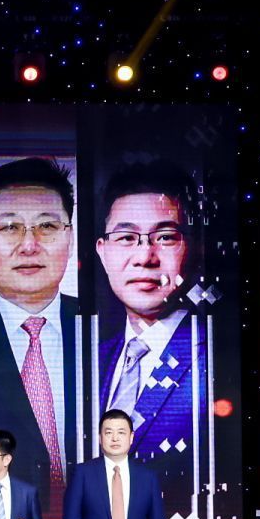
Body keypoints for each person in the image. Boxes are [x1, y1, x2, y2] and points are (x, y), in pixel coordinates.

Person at [0, 157, 81, 519]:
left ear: (70, 237)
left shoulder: (103, 327)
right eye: (9, 227)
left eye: (47, 226)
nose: (29, 245)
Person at [94, 162, 204, 492]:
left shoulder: (214, 360)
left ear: (194, 247)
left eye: (165, 237)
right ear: (102, 251)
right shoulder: (92, 361)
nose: (145, 256)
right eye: (126, 237)